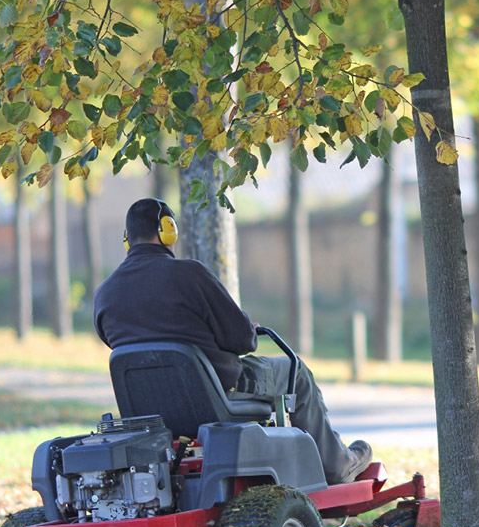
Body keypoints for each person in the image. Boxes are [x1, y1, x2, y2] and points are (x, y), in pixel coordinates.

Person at [93, 197, 373, 485]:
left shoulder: (105, 292)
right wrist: (248, 330)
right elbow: (241, 340)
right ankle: (337, 466)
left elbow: (119, 345)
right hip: (217, 392)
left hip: (149, 409)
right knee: (295, 371)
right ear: (168, 230)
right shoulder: (190, 274)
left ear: (127, 239)